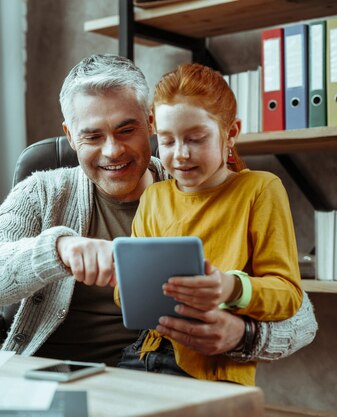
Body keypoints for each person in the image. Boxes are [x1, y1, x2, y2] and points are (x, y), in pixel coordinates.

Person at [0, 54, 317, 369]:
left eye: (126, 130)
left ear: (150, 122)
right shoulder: (44, 191)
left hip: (153, 377)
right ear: (69, 135)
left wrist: (243, 334)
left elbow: (301, 318)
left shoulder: (206, 189)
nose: (112, 151)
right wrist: (58, 250)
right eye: (93, 136)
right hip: (49, 374)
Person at [115, 63, 303, 385]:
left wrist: (230, 287)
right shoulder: (154, 198)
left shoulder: (259, 190)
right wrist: (130, 287)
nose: (180, 155)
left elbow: (288, 294)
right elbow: (123, 293)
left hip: (213, 369)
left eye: (196, 138)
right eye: (168, 141)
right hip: (144, 356)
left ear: (230, 134)